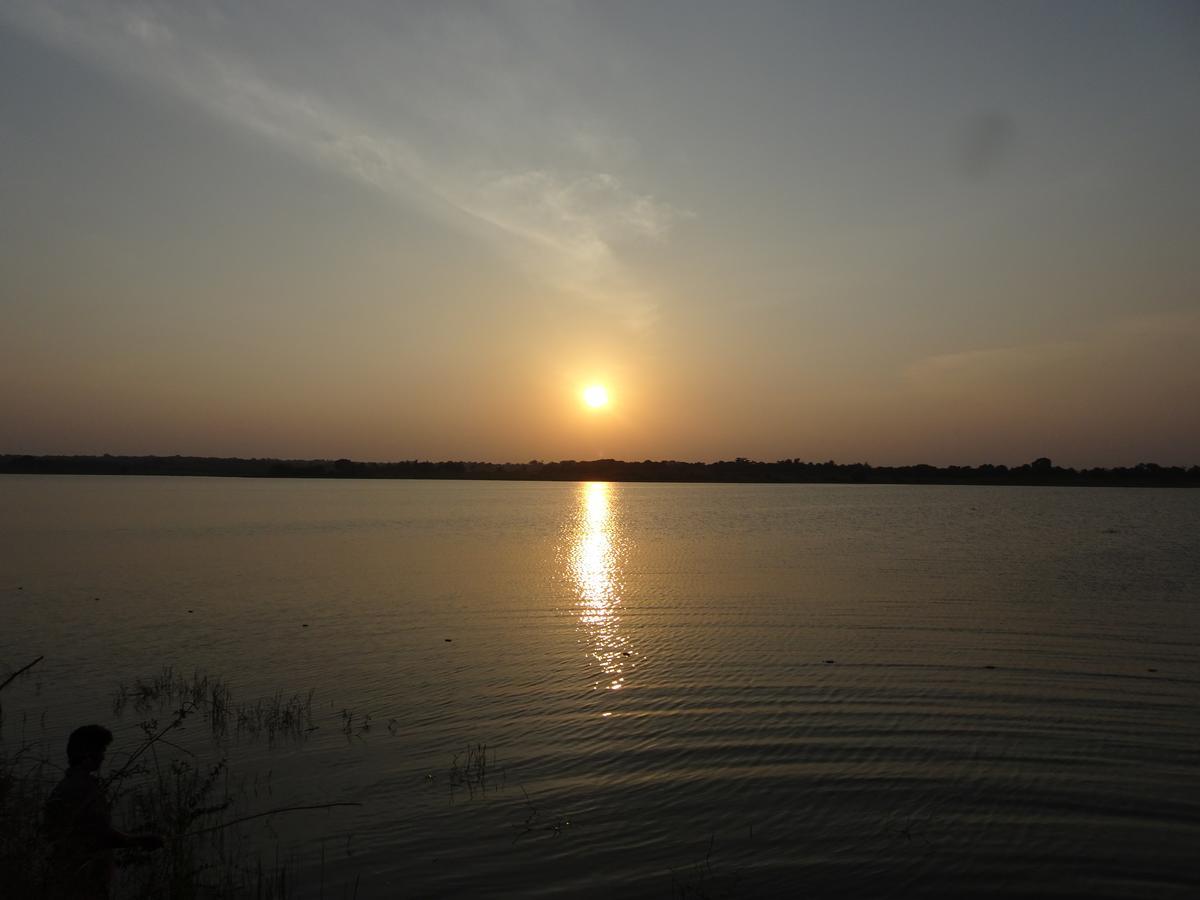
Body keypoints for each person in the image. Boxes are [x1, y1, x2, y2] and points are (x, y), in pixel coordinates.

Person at [43, 725, 164, 899]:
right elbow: (100, 836)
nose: (103, 757)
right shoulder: (84, 789)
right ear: (87, 754)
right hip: (83, 878)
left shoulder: (66, 786)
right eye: (101, 751)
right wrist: (141, 840)